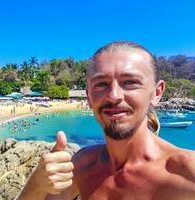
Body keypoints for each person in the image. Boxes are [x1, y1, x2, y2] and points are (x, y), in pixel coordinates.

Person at [16, 41, 195, 200]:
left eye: (130, 82)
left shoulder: (186, 174)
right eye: (101, 84)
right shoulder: (83, 165)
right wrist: (38, 183)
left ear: (156, 93)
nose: (114, 95)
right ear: (88, 96)